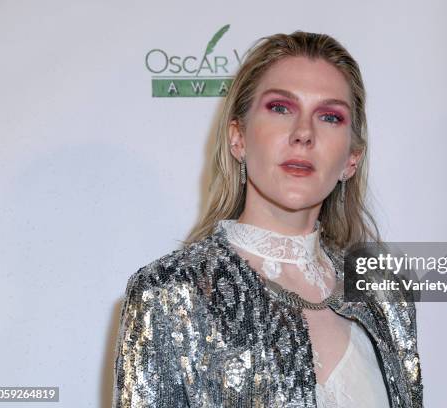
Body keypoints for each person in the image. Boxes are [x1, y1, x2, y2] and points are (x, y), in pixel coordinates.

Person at [112, 30, 422, 408]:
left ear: (351, 159)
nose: (303, 134)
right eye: (280, 108)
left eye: (329, 116)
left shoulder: (384, 294)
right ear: (238, 137)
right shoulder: (170, 293)